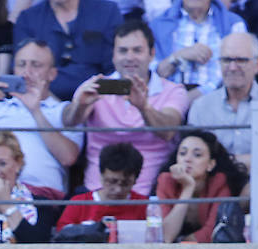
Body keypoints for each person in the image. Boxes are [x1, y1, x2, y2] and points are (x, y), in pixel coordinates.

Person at [62, 20, 188, 195]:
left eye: (137, 50)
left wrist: (144, 107)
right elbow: (68, 121)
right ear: (113, 55)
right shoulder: (96, 86)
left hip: (149, 196)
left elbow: (168, 131)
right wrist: (80, 105)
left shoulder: (173, 91)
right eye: (123, 51)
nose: (129, 57)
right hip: (96, 193)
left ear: (152, 54)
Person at [0, 39, 84, 200]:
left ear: (52, 74)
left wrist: (35, 111)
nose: (26, 72)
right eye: (21, 65)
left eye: (36, 65)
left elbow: (68, 158)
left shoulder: (64, 111)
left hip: (39, 195)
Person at [185, 31, 258, 171]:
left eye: (241, 60)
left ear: (257, 64)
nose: (232, 67)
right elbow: (196, 164)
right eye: (226, 60)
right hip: (215, 188)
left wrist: (220, 161)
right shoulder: (201, 106)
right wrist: (255, 158)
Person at [11, 0, 120, 102]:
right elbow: (23, 73)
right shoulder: (28, 19)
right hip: (43, 104)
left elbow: (115, 70)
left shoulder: (106, 12)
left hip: (98, 101)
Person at [152, 127, 242, 242]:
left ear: (211, 164)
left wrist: (183, 243)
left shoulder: (219, 183)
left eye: (197, 155)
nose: (187, 159)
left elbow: (212, 232)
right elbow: (166, 236)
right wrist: (188, 188)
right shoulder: (166, 181)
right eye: (183, 153)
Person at [149, 0, 244, 101]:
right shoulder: (159, 24)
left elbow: (241, 68)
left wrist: (203, 92)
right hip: (168, 101)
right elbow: (150, 73)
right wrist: (177, 56)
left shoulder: (234, 24)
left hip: (219, 100)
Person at [54, 139, 147, 226]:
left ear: (135, 180)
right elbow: (62, 236)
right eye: (112, 181)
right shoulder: (79, 203)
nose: (118, 190)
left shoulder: (144, 206)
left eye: (125, 183)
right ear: (101, 175)